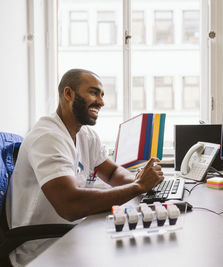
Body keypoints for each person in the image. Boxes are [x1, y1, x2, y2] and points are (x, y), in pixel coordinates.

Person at [6, 69, 164, 266]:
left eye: (102, 95)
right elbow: (70, 205)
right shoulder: (47, 137)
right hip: (43, 249)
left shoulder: (85, 135)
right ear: (68, 93)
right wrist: (138, 187)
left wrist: (136, 180)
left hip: (75, 233)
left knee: (144, 247)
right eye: (93, 92)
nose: (101, 101)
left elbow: (113, 172)